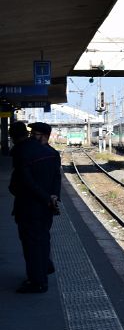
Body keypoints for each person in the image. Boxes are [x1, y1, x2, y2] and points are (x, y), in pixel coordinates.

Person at [9, 121, 61, 293]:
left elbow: (24, 182)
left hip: (30, 205)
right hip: (47, 206)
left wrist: (45, 197)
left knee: (31, 244)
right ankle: (44, 266)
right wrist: (52, 197)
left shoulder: (23, 152)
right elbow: (56, 178)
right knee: (43, 238)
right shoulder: (52, 153)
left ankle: (37, 282)